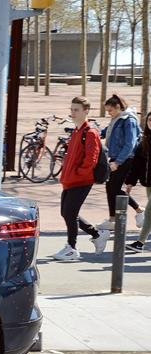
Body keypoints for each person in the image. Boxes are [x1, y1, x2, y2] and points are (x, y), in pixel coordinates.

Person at [52, 96, 108, 261]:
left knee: (70, 213)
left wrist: (78, 173)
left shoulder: (90, 133)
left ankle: (72, 248)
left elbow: (91, 159)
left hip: (81, 181)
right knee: (66, 212)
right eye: (71, 109)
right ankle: (97, 234)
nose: (73, 112)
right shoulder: (77, 131)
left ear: (86, 111)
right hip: (70, 180)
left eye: (76, 110)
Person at [100, 94, 143, 230]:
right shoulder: (116, 119)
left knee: (114, 188)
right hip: (115, 157)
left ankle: (139, 210)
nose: (109, 113)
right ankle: (113, 219)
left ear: (118, 107)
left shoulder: (129, 120)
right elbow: (106, 132)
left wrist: (118, 162)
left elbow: (130, 144)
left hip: (126, 159)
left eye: (110, 110)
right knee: (110, 187)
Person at [125, 111, 151, 252]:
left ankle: (140, 243)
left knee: (149, 213)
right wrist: (130, 182)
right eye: (149, 120)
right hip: (149, 183)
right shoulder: (144, 141)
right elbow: (137, 165)